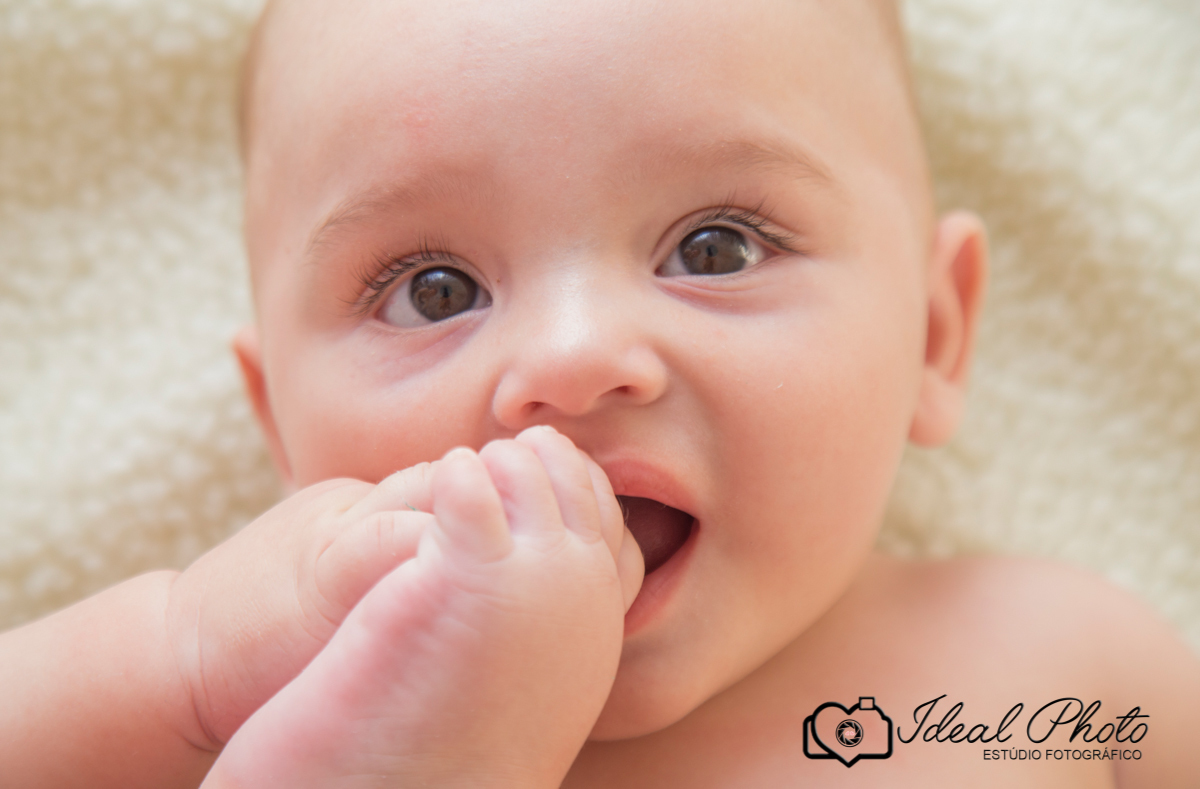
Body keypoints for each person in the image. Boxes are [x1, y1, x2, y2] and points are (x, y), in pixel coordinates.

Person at [2, 0, 1197, 786]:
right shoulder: (242, 691)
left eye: (716, 247)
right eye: (431, 288)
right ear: (281, 430)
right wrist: (185, 658)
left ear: (934, 333)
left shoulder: (1050, 664)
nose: (573, 356)